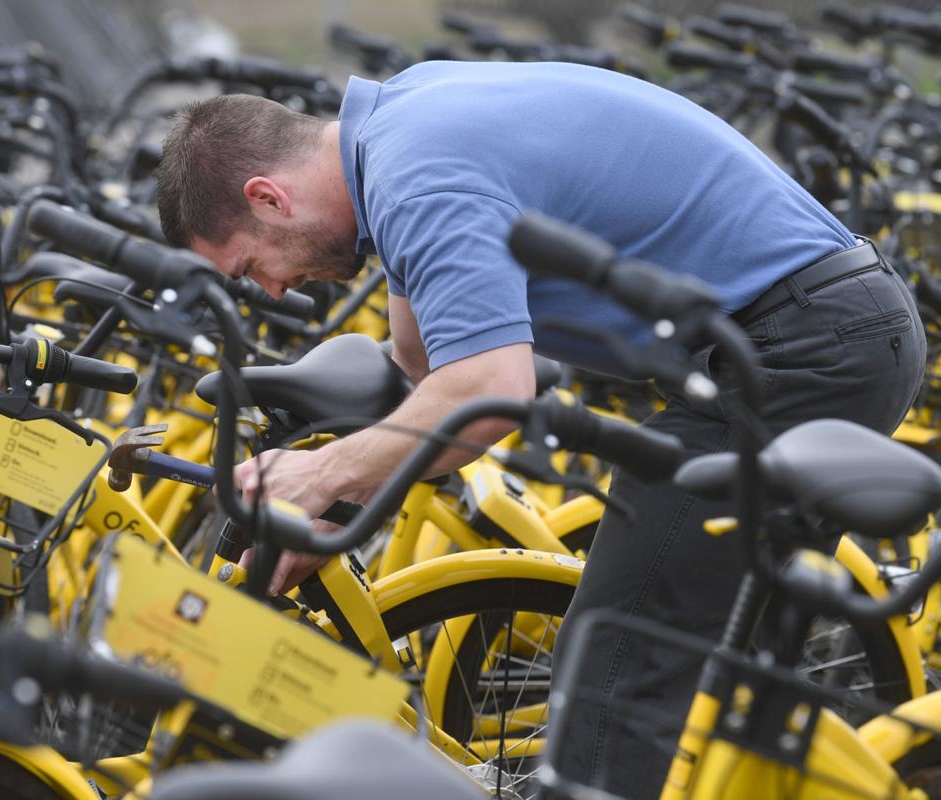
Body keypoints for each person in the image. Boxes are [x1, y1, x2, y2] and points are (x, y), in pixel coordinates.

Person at [155, 60, 926, 797]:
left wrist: (320, 479)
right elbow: (426, 364)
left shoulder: (415, 171)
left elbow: (490, 392)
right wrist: (333, 494)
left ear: (267, 198)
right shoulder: (397, 128)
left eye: (248, 268)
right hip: (819, 332)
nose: (274, 290)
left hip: (800, 350)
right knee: (715, 679)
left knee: (618, 658)